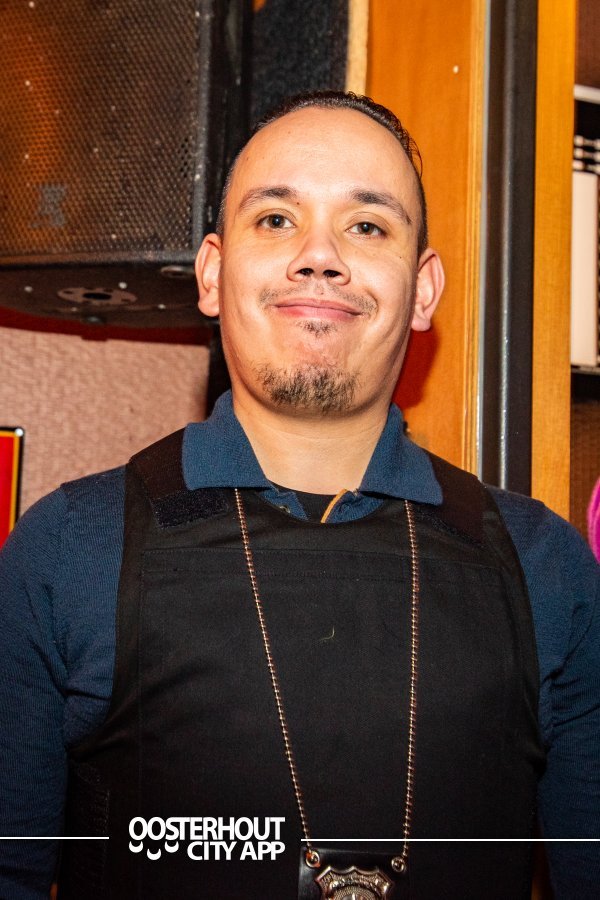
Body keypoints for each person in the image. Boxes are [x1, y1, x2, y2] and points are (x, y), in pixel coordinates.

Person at [0, 90, 598, 900]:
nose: (320, 256)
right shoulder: (66, 549)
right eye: (276, 219)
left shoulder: (546, 567)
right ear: (212, 274)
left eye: (367, 226)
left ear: (424, 290)